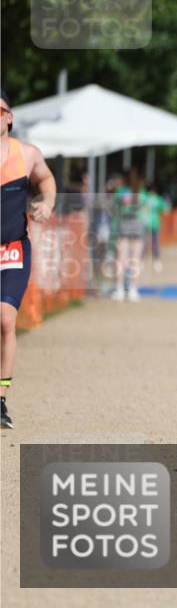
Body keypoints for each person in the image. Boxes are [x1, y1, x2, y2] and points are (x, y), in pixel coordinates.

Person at [0, 88, 57, 429]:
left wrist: (47, 203)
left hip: (12, 249)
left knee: (5, 321)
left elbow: (47, 180)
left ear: (8, 116)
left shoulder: (28, 155)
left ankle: (0, 398)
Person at [111, 169, 148, 301]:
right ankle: (133, 288)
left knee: (121, 257)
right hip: (137, 224)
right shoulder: (142, 192)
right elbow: (145, 207)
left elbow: (114, 207)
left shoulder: (121, 191)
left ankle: (119, 288)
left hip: (124, 224)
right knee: (135, 258)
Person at [144, 184, 171, 273]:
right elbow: (166, 210)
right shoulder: (152, 198)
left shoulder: (149, 198)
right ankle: (152, 261)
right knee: (149, 244)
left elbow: (165, 210)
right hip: (149, 224)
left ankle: (155, 261)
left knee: (152, 243)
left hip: (152, 224)